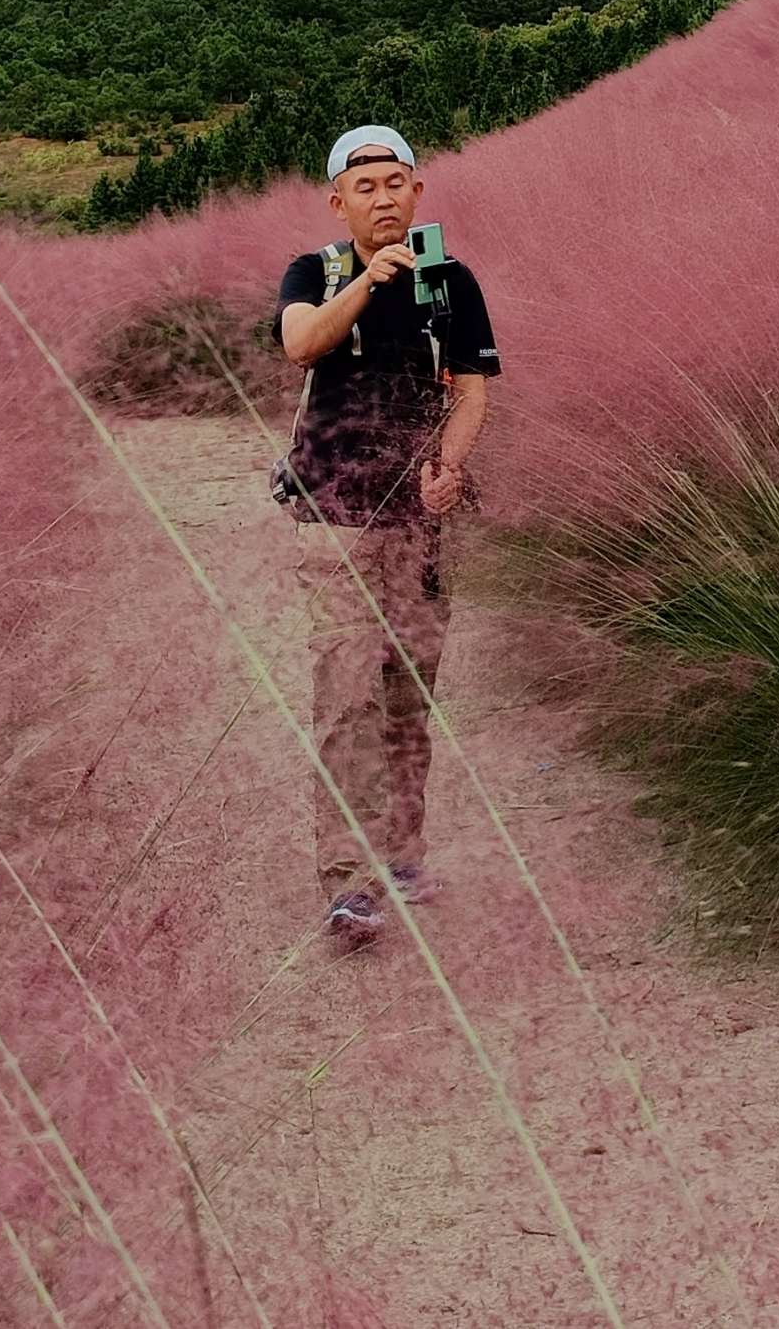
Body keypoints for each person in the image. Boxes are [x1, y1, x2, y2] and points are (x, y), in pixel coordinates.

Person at [275, 122, 499, 948]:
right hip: (333, 520)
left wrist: (448, 467)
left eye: (395, 183)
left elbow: (471, 391)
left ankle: (403, 858)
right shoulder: (318, 273)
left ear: (417, 192)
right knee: (346, 694)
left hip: (420, 527)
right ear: (339, 202)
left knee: (409, 697)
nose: (382, 198)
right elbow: (302, 343)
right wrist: (369, 280)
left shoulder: (453, 281)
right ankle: (347, 883)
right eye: (363, 187)